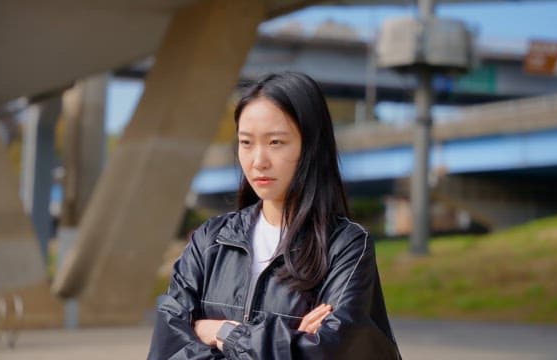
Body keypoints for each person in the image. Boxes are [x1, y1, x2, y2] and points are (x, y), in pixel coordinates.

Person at [148, 72, 401, 359]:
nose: (258, 161)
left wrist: (220, 332)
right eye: (246, 143)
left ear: (311, 146)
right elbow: (168, 345)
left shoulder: (345, 246)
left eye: (276, 142)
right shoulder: (211, 240)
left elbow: (328, 351)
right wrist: (288, 341)